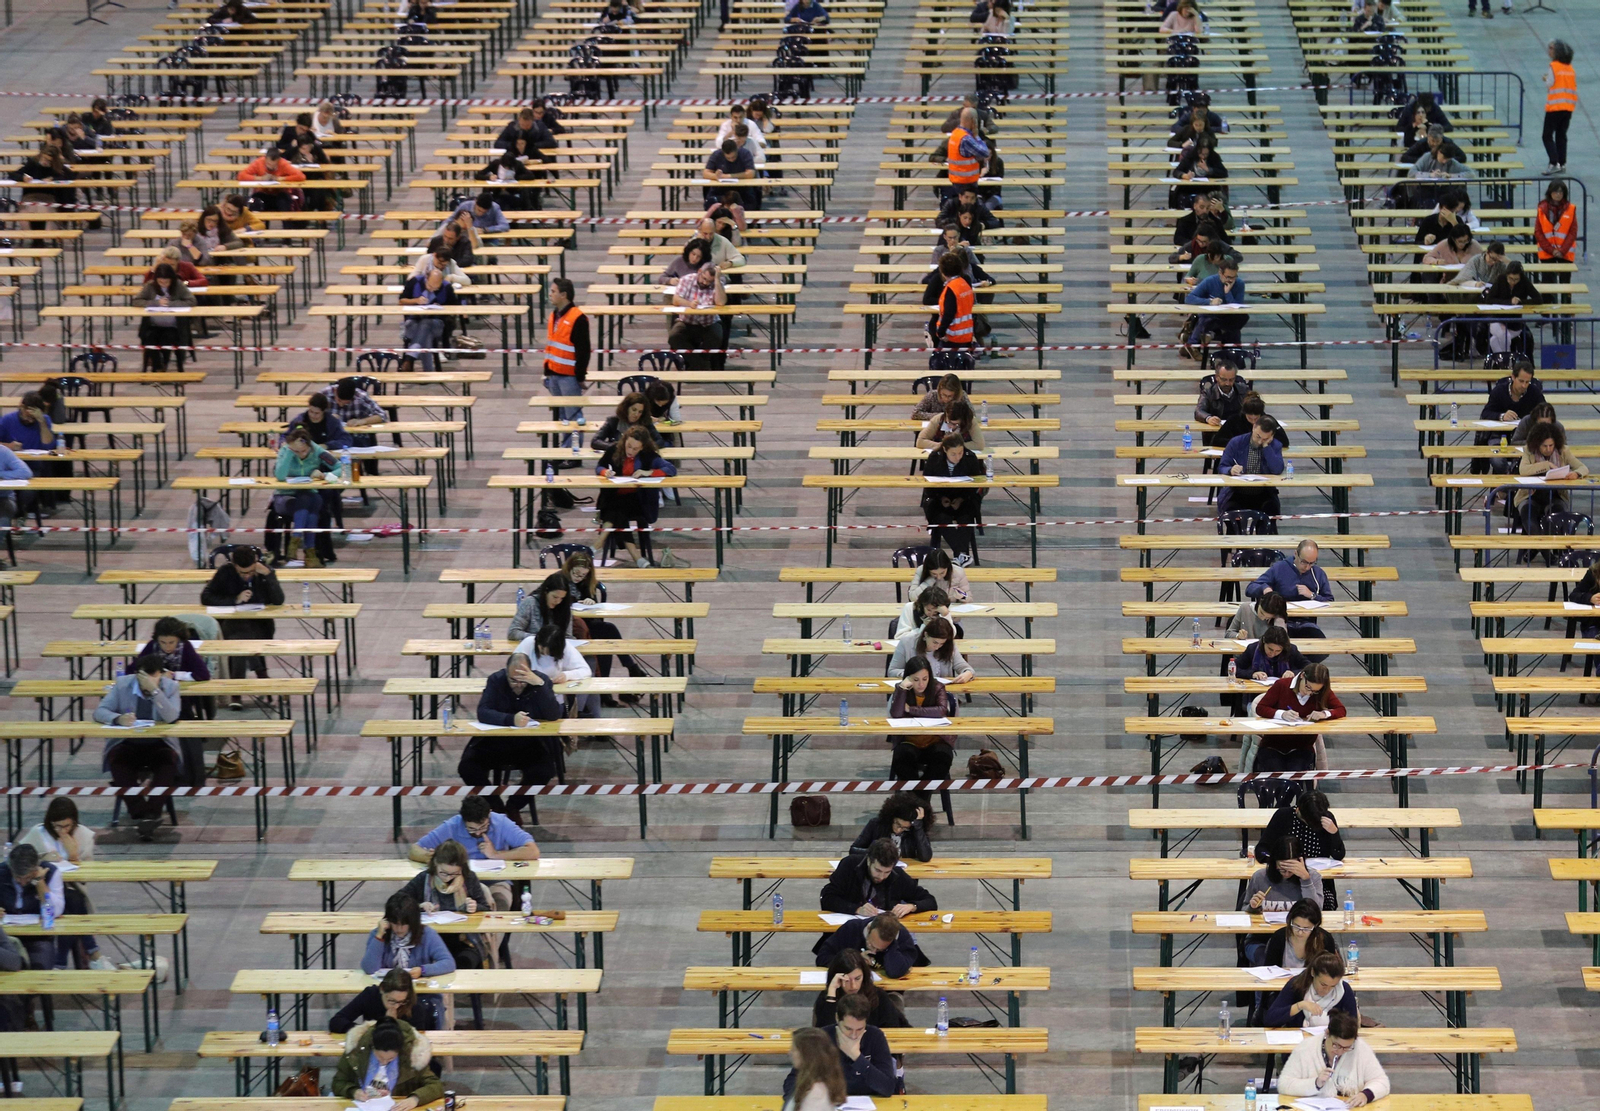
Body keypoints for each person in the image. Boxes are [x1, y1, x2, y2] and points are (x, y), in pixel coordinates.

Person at [465, 651, 564, 824]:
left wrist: (539, 686)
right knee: (467, 766)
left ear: (530, 673)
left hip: (529, 745)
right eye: (513, 680)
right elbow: (483, 712)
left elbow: (553, 715)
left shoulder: (541, 681)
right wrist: (510, 719)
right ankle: (496, 806)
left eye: (522, 680)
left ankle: (514, 806)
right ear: (506, 672)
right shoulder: (496, 680)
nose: (518, 685)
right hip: (496, 743)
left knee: (545, 770)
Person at [91, 654, 182, 838]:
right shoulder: (123, 685)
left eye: (153, 677)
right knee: (118, 762)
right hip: (128, 743)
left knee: (168, 764)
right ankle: (143, 814)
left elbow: (172, 716)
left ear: (160, 674)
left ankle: (151, 813)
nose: (147, 682)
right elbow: (99, 711)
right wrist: (117, 718)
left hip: (159, 743)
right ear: (137, 675)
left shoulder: (170, 687)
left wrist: (155, 691)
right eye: (144, 678)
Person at [18, 799, 111, 970]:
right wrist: (44, 859)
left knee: (71, 902)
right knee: (73, 903)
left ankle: (61, 962)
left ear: (74, 822)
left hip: (70, 886)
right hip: (39, 888)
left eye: (66, 826)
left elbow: (87, 875)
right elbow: (20, 861)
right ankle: (92, 953)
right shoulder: (37, 834)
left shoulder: (84, 835)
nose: (61, 831)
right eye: (56, 826)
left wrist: (74, 855)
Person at [201, 548, 282, 693]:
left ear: (256, 563)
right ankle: (260, 671)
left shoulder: (265, 572)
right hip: (230, 623)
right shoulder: (226, 572)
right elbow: (206, 597)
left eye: (251, 572)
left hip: (260, 625)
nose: (246, 576)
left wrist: (268, 575)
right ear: (234, 566)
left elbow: (278, 600)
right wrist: (235, 599)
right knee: (240, 631)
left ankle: (236, 689)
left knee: (240, 637)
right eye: (242, 573)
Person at [783, 996, 894, 1101]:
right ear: (837, 1018)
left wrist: (857, 1057)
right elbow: (792, 1082)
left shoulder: (875, 1036)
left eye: (860, 1029)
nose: (854, 1035)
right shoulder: (822, 1038)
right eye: (848, 1029)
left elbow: (888, 1088)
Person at [594, 426, 677, 567]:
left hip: (638, 501)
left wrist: (649, 472)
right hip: (614, 497)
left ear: (643, 447)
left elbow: (671, 469)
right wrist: (605, 472)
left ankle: (598, 543)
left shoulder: (648, 455)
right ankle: (637, 557)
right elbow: (599, 466)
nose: (630, 451)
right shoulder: (614, 449)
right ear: (624, 441)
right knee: (618, 509)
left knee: (616, 511)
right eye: (629, 446)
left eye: (636, 449)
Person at [1280, 1009, 1389, 1106]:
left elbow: (1382, 1081)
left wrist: (1366, 1095)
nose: (1340, 1051)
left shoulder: (1360, 1048)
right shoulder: (1306, 1048)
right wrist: (1315, 1083)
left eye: (1347, 1047)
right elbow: (1284, 1084)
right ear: (1327, 1034)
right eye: (1336, 1045)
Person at [330, 1017, 443, 1109]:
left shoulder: (413, 1056)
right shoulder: (356, 1050)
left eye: (390, 1059)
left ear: (399, 1052)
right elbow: (338, 1082)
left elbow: (435, 1085)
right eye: (379, 1057)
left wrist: (415, 1099)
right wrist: (353, 1091)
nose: (384, 1062)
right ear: (372, 1047)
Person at [1254, 662, 1345, 774]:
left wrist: (1324, 714)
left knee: (1296, 773)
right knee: (1275, 772)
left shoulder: (1322, 692)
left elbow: (1341, 709)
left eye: (1315, 691)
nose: (1309, 693)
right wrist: (1281, 714)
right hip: (1273, 744)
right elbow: (1261, 708)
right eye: (1308, 687)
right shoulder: (1282, 685)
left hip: (1303, 746)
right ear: (1302, 676)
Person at [885, 653, 960, 787]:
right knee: (902, 761)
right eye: (916, 679)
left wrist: (911, 710)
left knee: (942, 761)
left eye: (925, 679)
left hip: (936, 741)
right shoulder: (902, 688)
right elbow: (896, 714)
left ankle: (917, 801)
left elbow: (941, 710)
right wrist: (902, 689)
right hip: (909, 742)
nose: (921, 684)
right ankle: (921, 803)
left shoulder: (938, 688)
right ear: (908, 678)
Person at [821, 838, 937, 918]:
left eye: (887, 872)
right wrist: (856, 909)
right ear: (868, 861)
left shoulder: (897, 876)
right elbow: (827, 898)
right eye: (877, 870)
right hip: (848, 932)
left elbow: (930, 900)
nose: (881, 877)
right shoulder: (849, 866)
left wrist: (912, 906)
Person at [272, 428, 338, 568]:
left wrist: (324, 475)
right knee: (309, 503)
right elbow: (280, 475)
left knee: (313, 499)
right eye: (297, 451)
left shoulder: (316, 450)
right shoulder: (285, 451)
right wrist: (290, 452)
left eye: (304, 451)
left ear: (309, 446)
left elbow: (339, 467)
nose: (301, 455)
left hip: (308, 495)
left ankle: (295, 540)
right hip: (285, 497)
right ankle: (310, 553)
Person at [920, 434, 986, 564]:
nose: (958, 457)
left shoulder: (970, 457)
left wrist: (961, 499)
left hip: (964, 499)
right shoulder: (934, 458)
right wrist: (941, 498)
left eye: (960, 452)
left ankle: (959, 555)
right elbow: (927, 483)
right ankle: (961, 554)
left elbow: (976, 483)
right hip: (940, 499)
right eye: (953, 454)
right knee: (942, 518)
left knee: (966, 518)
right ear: (945, 450)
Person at [0, 844, 64, 973]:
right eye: (17, 878)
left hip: (38, 937)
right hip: (6, 937)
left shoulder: (51, 872)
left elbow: (55, 911)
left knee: (39, 970)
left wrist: (39, 882)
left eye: (28, 878)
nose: (23, 882)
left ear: (36, 868)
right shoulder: (1, 872)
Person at [1516, 418, 1590, 525]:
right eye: (1544, 446)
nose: (1548, 449)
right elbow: (1523, 470)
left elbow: (1583, 468)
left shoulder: (1563, 451)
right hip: (1530, 496)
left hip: (1556, 496)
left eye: (1551, 445)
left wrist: (1576, 473)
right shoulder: (1529, 450)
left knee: (1556, 521)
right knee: (1529, 519)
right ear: (1537, 444)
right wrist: (1547, 465)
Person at [811, 949, 907, 1030]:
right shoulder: (827, 998)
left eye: (857, 978)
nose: (853, 986)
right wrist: (831, 993)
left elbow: (892, 1029)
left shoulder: (878, 996)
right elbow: (823, 1037)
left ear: (864, 975)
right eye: (847, 980)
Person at [814, 912, 929, 978]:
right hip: (848, 988)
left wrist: (891, 948)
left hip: (886, 993)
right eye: (871, 944)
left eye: (880, 949)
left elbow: (896, 971)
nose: (874, 952)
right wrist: (853, 961)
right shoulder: (851, 929)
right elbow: (822, 957)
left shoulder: (903, 939)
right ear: (869, 928)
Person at [1266, 950, 1358, 1031]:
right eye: (1323, 985)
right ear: (1313, 973)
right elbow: (1270, 1019)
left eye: (1332, 986)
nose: (1327, 990)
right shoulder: (1297, 985)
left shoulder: (1344, 990)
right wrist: (1299, 1006)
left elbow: (1352, 1025)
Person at [1217, 414, 1285, 521]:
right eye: (1258, 436)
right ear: (1253, 427)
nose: (1259, 441)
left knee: (1271, 510)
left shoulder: (1275, 445)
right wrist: (1230, 470)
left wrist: (1266, 447)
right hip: (1237, 492)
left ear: (1271, 436)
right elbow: (1222, 466)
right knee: (1230, 512)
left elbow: (1277, 469)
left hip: (1263, 493)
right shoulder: (1236, 442)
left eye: (1265, 438)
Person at [330, 968, 437, 1035]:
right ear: (382, 989)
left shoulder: (414, 1005)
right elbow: (336, 1021)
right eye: (391, 1000)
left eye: (401, 1002)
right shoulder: (370, 995)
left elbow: (417, 1038)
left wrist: (393, 1026)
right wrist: (365, 1030)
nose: (396, 1006)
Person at [132, 263, 197, 371]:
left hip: (173, 327)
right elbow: (136, 301)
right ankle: (157, 366)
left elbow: (192, 301)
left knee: (166, 339)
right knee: (149, 338)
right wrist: (155, 303)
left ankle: (164, 365)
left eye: (166, 282)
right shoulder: (150, 286)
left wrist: (170, 304)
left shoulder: (179, 285)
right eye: (160, 282)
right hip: (153, 325)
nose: (164, 285)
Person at [1241, 835, 1323, 915]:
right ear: (1274, 863)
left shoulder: (1313, 877)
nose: (1287, 874)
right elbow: (1244, 909)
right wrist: (1253, 907)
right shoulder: (1259, 877)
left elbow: (1317, 912)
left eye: (1291, 871)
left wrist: (1306, 881)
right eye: (1282, 870)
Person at [669, 263, 727, 372]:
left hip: (709, 322)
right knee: (674, 337)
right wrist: (689, 304)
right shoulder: (686, 280)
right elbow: (676, 299)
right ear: (699, 271)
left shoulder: (717, 283)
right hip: (687, 321)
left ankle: (696, 366)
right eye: (704, 279)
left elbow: (721, 302)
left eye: (709, 281)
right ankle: (702, 366)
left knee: (717, 336)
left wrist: (717, 281)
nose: (705, 283)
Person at [1246, 540, 1333, 610]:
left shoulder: (1318, 573)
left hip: (1307, 622)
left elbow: (1329, 601)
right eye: (1304, 562)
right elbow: (1250, 588)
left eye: (1311, 563)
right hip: (1281, 619)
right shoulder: (1279, 568)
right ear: (1296, 554)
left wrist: (1312, 595)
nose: (1307, 567)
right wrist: (1264, 588)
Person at [1183, 260, 1246, 354]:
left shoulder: (1239, 284)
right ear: (1220, 273)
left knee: (1242, 319)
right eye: (1228, 277)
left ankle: (1231, 355)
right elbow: (1189, 298)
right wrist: (1209, 302)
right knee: (1226, 328)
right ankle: (1194, 343)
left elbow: (1237, 306)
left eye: (1234, 277)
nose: (1231, 280)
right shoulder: (1210, 281)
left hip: (1229, 318)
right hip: (1211, 316)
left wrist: (1228, 293)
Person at [850, 792, 932, 861]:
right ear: (892, 817)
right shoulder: (876, 824)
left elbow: (925, 857)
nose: (898, 830)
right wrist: (877, 852)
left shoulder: (916, 830)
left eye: (905, 828)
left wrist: (918, 828)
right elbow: (853, 850)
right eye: (897, 824)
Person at [783, 1026, 849, 1111]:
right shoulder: (807, 1079)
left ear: (807, 1054)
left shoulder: (817, 1094)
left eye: (794, 1049)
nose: (790, 1052)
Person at [1483, 262, 1542, 356]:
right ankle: (1508, 363)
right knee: (1504, 336)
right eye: (1510, 279)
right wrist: (1509, 302)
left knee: (1494, 341)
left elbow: (1538, 299)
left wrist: (1521, 302)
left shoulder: (1524, 281)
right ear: (1506, 275)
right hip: (1497, 319)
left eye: (1516, 279)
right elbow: (1489, 299)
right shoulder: (1500, 279)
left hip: (1514, 322)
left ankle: (1502, 365)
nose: (1513, 282)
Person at [1264, 898, 1336, 974]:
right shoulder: (1279, 937)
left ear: (1315, 925)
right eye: (1296, 926)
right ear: (1290, 920)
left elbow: (1330, 972)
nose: (1300, 932)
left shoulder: (1325, 939)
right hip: (1282, 984)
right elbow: (1269, 970)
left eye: (1306, 928)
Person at [1194, 356, 1253, 447]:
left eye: (1231, 380)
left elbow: (1255, 407)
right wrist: (1208, 418)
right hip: (1219, 435)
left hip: (1241, 433)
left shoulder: (1244, 390)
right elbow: (1198, 411)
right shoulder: (1208, 393)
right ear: (1217, 377)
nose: (1228, 383)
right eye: (1224, 379)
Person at [929, 253, 978, 353]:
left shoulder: (951, 288)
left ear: (942, 271)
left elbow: (949, 314)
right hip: (966, 334)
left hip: (952, 336)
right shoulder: (965, 284)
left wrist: (941, 333)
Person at [509, 572, 574, 642]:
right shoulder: (530, 603)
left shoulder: (564, 607)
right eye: (555, 597)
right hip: (532, 647)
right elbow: (513, 632)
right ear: (546, 592)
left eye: (562, 598)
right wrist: (539, 638)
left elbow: (568, 636)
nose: (558, 601)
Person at [1543, 40, 1577, 174]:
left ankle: (1554, 162)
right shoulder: (1570, 68)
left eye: (1551, 48)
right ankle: (1562, 163)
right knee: (1561, 135)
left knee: (1547, 136)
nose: (1549, 50)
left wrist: (1545, 79)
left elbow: (1549, 83)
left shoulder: (1554, 66)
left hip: (1555, 106)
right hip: (1568, 107)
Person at [237, 147, 305, 211]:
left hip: (280, 194)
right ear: (265, 159)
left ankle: (287, 222)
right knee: (255, 201)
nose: (271, 167)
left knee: (285, 202)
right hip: (263, 193)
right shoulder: (259, 162)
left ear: (278, 161)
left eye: (274, 165)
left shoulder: (283, 164)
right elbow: (241, 176)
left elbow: (301, 176)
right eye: (268, 164)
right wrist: (260, 178)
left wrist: (280, 178)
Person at [945, 108, 990, 199]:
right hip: (966, 182)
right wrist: (977, 136)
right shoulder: (966, 138)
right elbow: (985, 153)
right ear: (973, 121)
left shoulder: (955, 133)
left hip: (956, 179)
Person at [1238, 626, 1308, 684]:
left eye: (1278, 651)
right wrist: (1252, 674)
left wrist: (1293, 673)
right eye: (1270, 649)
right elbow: (1233, 668)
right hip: (1255, 691)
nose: (1273, 653)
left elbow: (1309, 668)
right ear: (1264, 641)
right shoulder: (1252, 649)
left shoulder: (1291, 650)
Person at [703, 138, 758, 210]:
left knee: (751, 203)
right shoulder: (716, 155)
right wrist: (715, 176)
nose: (731, 159)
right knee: (710, 203)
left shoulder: (745, 153)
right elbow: (705, 173)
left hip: (742, 189)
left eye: (733, 157)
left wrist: (729, 176)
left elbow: (751, 173)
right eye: (728, 158)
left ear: (737, 150)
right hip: (720, 190)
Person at [1536, 179, 1578, 271]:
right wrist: (1552, 250)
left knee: (1565, 282)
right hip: (1547, 251)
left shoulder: (1571, 209)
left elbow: (1573, 232)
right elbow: (1538, 232)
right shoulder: (1542, 209)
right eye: (1555, 191)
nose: (1558, 194)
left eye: (1560, 192)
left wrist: (1562, 251)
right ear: (1550, 192)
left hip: (1566, 252)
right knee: (1547, 280)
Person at [917, 398, 985, 453]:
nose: (951, 426)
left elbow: (979, 444)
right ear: (945, 414)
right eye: (948, 422)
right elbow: (920, 441)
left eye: (955, 424)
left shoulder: (971, 422)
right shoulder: (938, 419)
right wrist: (940, 445)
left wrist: (955, 447)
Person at [1225, 591, 1289, 641]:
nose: (1262, 618)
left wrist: (1279, 622)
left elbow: (1282, 641)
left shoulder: (1278, 618)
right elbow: (1229, 633)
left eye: (1267, 618)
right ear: (1259, 603)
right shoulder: (1245, 608)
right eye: (1261, 613)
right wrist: (1238, 635)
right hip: (1244, 654)